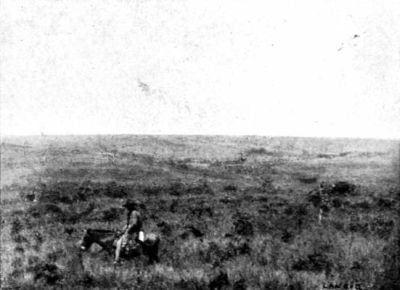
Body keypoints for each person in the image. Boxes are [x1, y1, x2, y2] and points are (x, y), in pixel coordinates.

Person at [114, 199, 143, 264]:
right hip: (136, 230)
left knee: (119, 243)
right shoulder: (133, 213)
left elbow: (133, 224)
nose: (127, 208)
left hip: (134, 231)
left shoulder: (133, 213)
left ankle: (117, 260)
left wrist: (127, 231)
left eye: (128, 206)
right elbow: (128, 224)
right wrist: (122, 230)